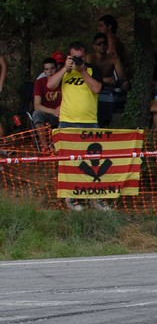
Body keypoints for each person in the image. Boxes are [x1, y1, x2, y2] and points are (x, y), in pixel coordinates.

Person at [46, 42, 104, 210]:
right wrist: (66, 67)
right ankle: (71, 197)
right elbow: (50, 85)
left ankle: (94, 198)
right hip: (67, 121)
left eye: (81, 57)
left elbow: (97, 89)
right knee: (68, 162)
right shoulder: (64, 71)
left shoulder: (92, 69)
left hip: (89, 121)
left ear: (85, 56)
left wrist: (82, 71)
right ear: (69, 57)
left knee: (93, 160)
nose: (78, 60)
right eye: (75, 57)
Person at [86, 32, 128, 126]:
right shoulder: (91, 57)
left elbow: (122, 77)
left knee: (125, 84)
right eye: (99, 44)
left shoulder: (112, 58)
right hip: (92, 86)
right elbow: (87, 75)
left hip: (108, 88)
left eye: (104, 43)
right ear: (94, 46)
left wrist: (117, 59)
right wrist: (104, 80)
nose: (102, 45)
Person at [32, 57, 62, 152]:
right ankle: (45, 147)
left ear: (56, 68)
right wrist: (53, 111)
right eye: (47, 69)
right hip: (48, 113)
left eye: (52, 68)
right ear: (44, 71)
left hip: (63, 112)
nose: (50, 71)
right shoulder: (40, 82)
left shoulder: (63, 80)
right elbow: (37, 105)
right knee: (37, 114)